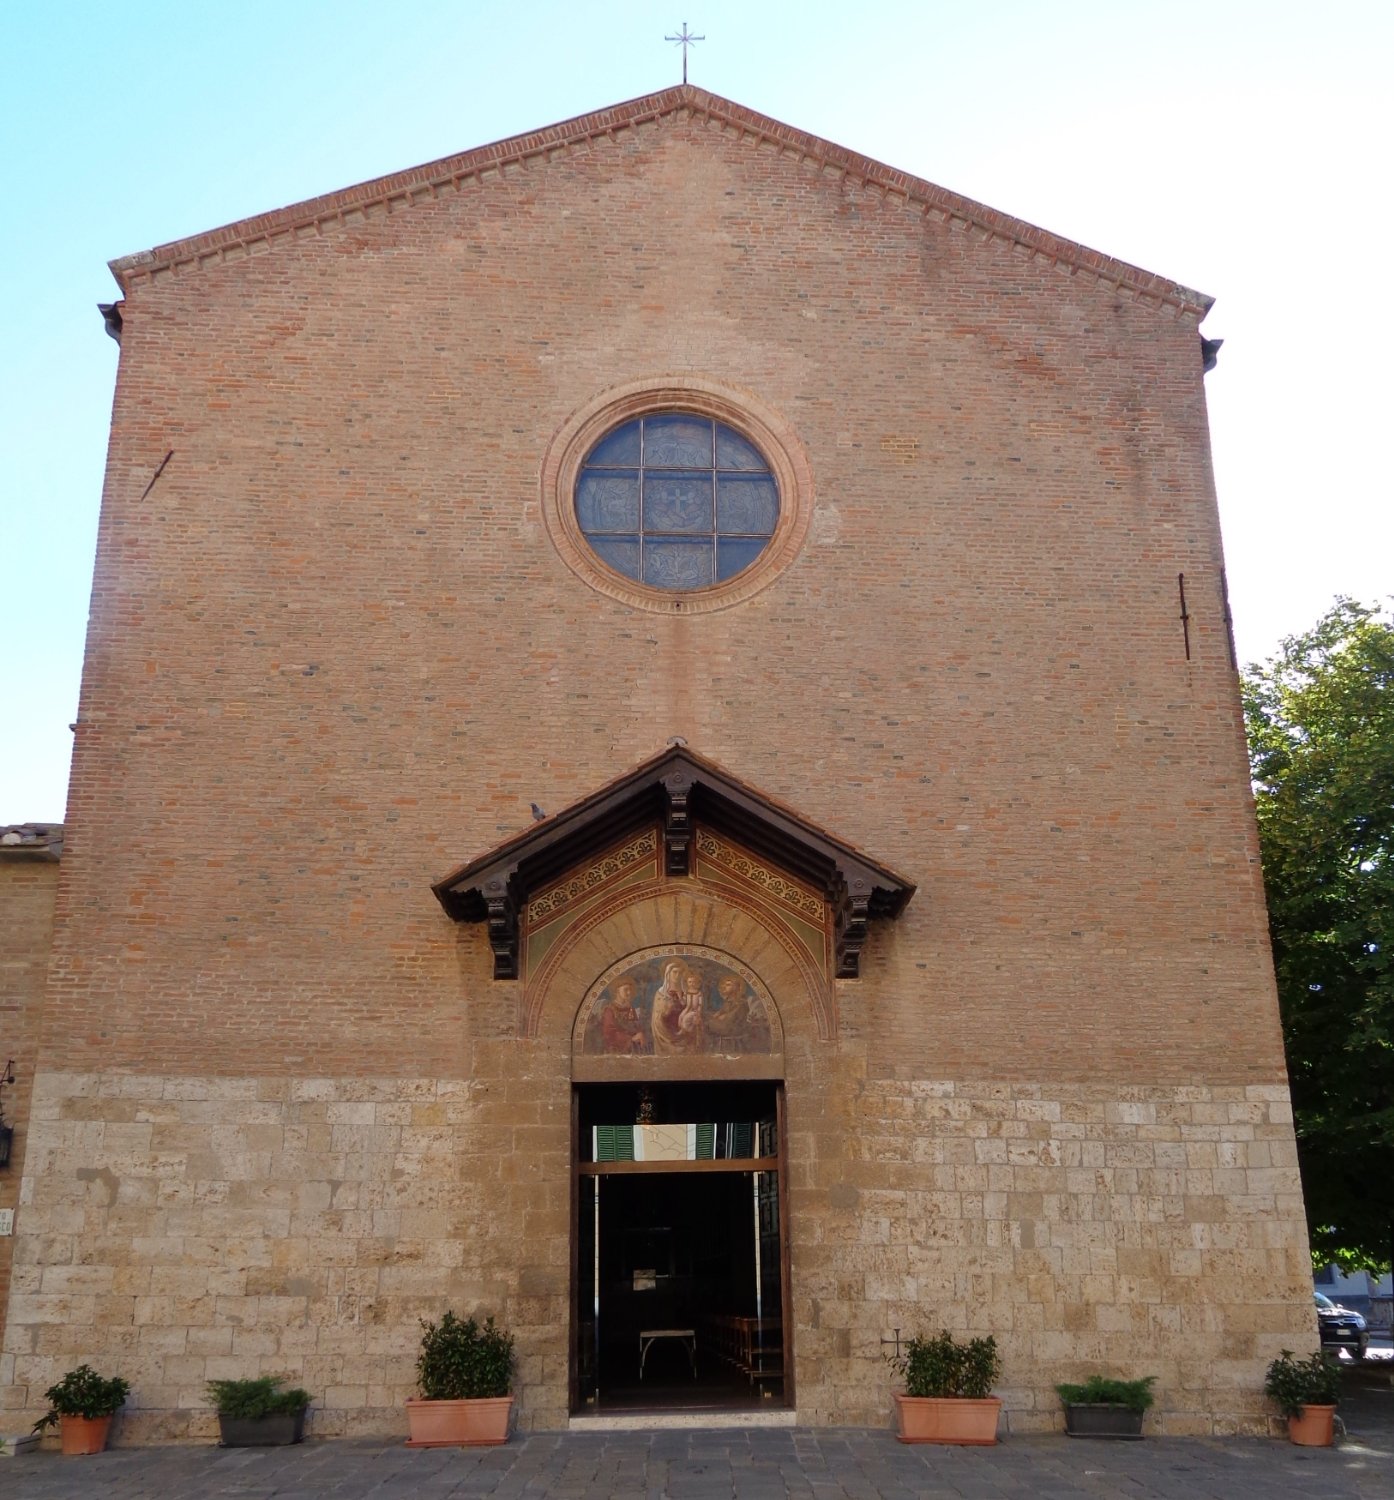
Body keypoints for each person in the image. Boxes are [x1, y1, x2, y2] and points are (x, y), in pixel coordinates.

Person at [600, 977, 647, 1054]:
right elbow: (609, 1034)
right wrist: (631, 1038)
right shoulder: (609, 1010)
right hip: (615, 1052)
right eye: (626, 990)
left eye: (630, 990)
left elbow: (636, 1027)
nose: (629, 992)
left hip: (632, 1050)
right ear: (617, 991)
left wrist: (640, 1034)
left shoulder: (630, 1009)